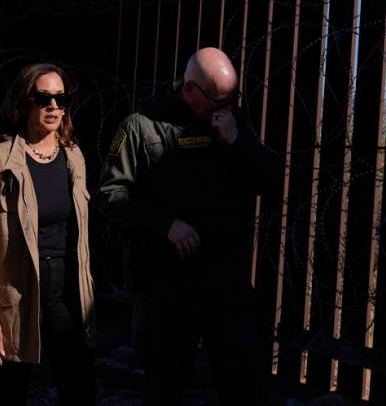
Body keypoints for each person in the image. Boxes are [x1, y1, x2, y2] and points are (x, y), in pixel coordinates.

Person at [95, 47, 281, 405]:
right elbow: (108, 194)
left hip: (225, 281)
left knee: (241, 382)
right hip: (167, 285)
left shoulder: (231, 122)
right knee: (166, 384)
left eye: (230, 98)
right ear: (191, 88)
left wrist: (238, 142)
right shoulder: (143, 124)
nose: (222, 106)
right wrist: (166, 225)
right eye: (216, 98)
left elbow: (271, 182)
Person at [0, 63, 96, 405]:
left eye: (61, 98)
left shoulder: (73, 157)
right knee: (11, 391)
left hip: (65, 293)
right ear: (24, 103)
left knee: (79, 387)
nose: (54, 106)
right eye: (44, 98)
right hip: (18, 294)